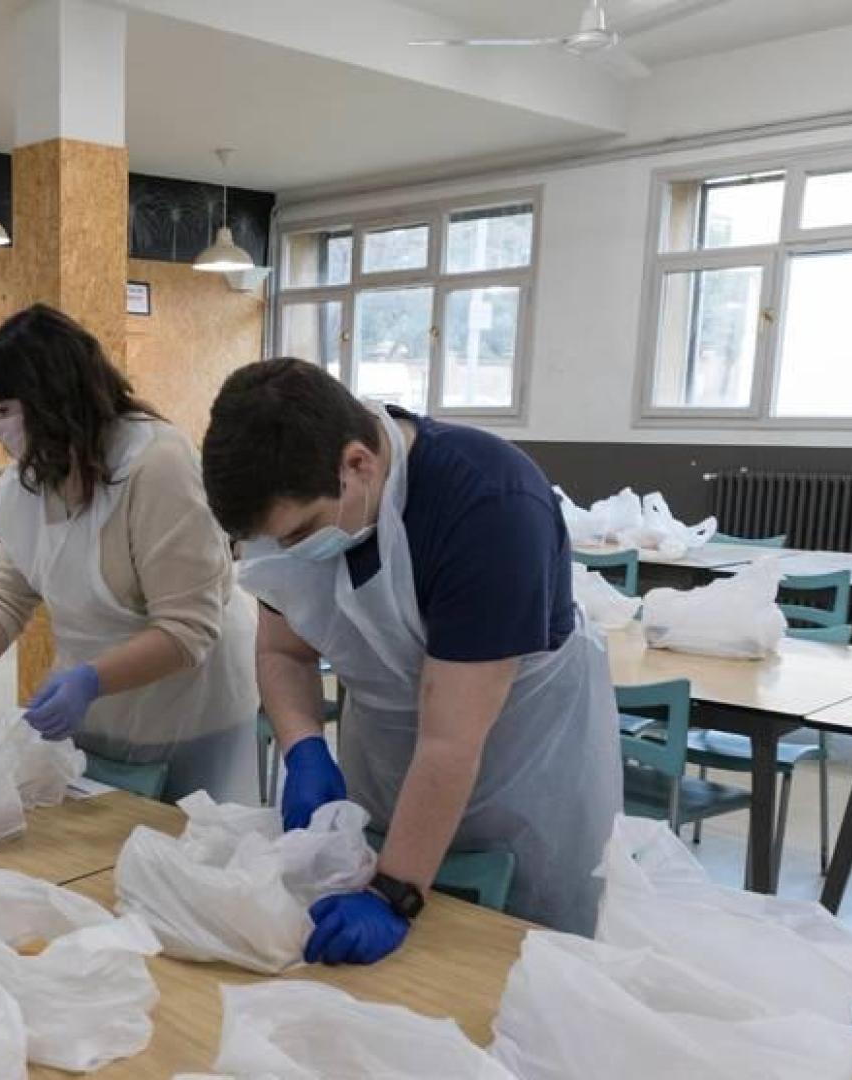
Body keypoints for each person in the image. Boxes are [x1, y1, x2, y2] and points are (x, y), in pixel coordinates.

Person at [201, 359, 620, 965]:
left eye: (299, 535)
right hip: (394, 756)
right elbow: (281, 649)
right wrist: (304, 748)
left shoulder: (489, 503)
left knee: (507, 968)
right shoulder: (301, 499)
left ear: (357, 464)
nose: (289, 552)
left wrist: (395, 892)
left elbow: (452, 740)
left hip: (522, 766)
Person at [0, 305, 260, 802]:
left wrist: (91, 680)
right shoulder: (32, 477)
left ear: (53, 401)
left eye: (5, 410)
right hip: (99, 708)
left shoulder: (156, 466)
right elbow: (11, 592)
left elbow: (188, 628)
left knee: (183, 858)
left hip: (188, 709)